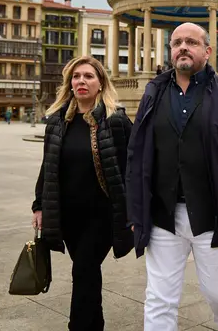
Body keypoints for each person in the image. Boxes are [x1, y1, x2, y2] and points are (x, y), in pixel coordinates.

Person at [125, 22, 218, 331]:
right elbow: (137, 153)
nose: (183, 47)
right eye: (176, 42)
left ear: (207, 51)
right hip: (163, 214)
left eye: (191, 42)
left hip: (214, 213)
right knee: (159, 298)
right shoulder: (154, 91)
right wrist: (135, 210)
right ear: (170, 50)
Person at [31, 56, 134, 330]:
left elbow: (133, 168)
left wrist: (135, 210)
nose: (81, 81)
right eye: (76, 77)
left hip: (101, 215)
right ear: (69, 83)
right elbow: (48, 166)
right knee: (87, 274)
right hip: (68, 215)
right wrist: (39, 205)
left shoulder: (116, 121)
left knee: (83, 270)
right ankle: (95, 324)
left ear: (101, 83)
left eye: (88, 76)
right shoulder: (57, 121)